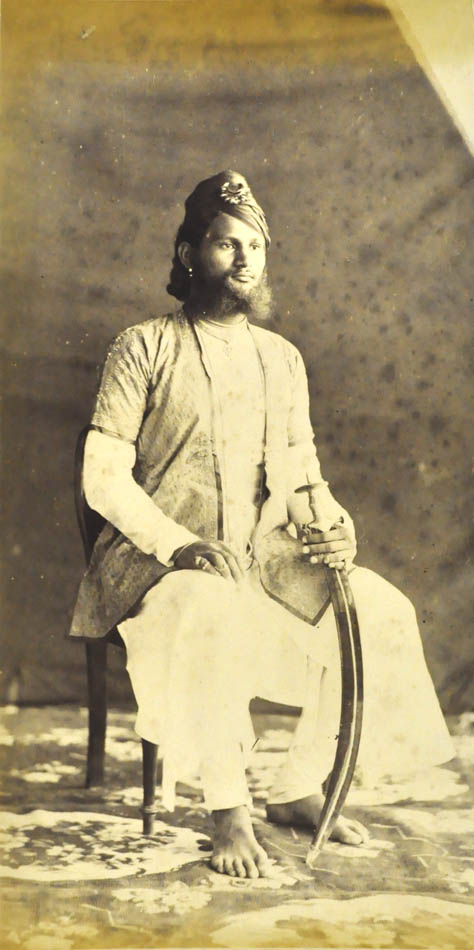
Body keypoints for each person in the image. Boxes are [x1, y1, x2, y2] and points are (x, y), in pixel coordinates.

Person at [69, 170, 455, 880]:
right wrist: (179, 545)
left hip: (263, 561)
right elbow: (102, 476)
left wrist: (334, 526)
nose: (245, 259)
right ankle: (229, 810)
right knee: (213, 610)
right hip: (159, 568)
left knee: (379, 611)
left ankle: (296, 786)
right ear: (189, 253)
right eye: (225, 243)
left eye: (255, 246)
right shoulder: (142, 346)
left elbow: (302, 477)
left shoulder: (282, 361)